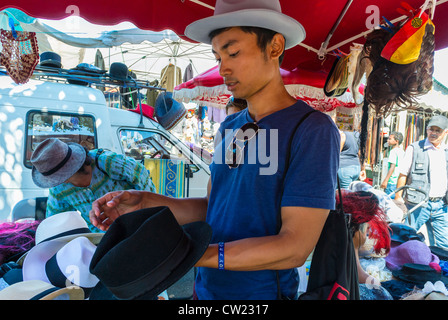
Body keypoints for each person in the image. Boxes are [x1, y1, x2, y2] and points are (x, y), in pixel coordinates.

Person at [90, 0, 340, 300]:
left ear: (274, 47)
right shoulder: (232, 128)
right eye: (218, 56)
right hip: (206, 291)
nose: (223, 68)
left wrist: (192, 255)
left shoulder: (311, 130)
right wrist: (145, 203)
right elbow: (214, 206)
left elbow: (294, 247)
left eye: (233, 52)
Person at [30, 138, 156, 232]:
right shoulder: (58, 190)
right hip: (103, 239)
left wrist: (151, 215)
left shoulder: (107, 162)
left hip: (139, 226)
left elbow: (142, 178)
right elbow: (55, 222)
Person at [395, 115, 448, 249]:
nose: (433, 133)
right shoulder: (414, 148)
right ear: (427, 129)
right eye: (431, 129)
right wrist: (398, 198)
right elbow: (403, 174)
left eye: (438, 131)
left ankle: (440, 268)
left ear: (445, 132)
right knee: (406, 238)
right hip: (418, 203)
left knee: (443, 245)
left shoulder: (445, 151)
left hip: (441, 205)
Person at [380, 131, 405, 197]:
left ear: (396, 141)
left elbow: (392, 167)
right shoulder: (402, 151)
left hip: (391, 182)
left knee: (389, 202)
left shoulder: (393, 152)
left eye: (390, 139)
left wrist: (385, 180)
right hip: (398, 182)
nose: (388, 140)